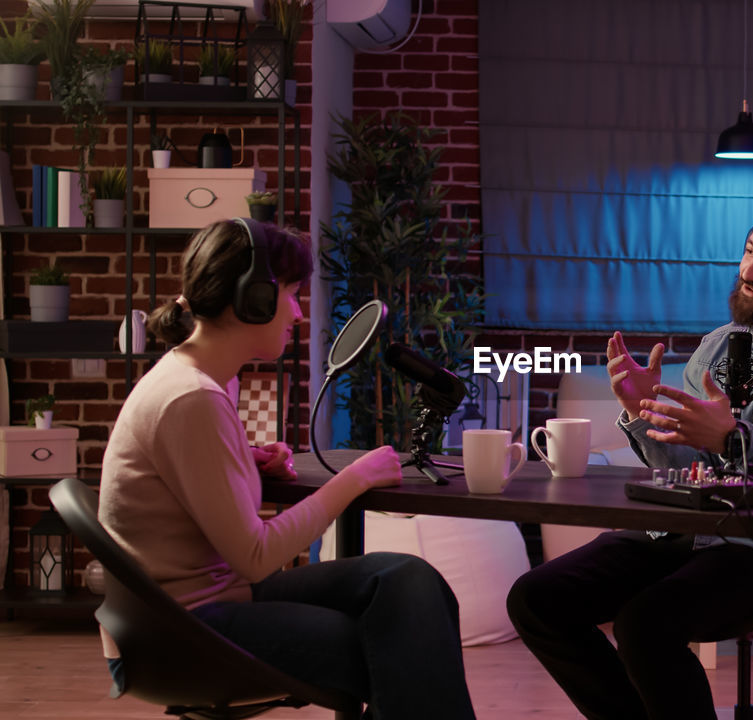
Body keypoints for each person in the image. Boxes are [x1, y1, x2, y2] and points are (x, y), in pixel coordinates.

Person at [507, 197, 753, 719]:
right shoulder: (715, 347)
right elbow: (681, 466)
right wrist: (643, 413)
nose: (750, 272)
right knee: (537, 600)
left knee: (644, 623)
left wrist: (734, 437)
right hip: (685, 532)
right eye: (750, 252)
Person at [97, 218, 476, 720]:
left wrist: (243, 459)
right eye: (292, 293)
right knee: (401, 641)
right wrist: (354, 479)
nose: (298, 312)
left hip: (208, 601)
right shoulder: (192, 398)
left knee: (408, 581)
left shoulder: (198, 380)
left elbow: (185, 479)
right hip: (177, 632)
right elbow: (255, 555)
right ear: (251, 298)